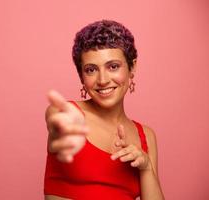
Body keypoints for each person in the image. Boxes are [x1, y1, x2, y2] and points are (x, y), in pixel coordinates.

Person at [44, 20, 164, 200]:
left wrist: (146, 167)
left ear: (132, 67)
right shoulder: (68, 113)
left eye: (113, 66)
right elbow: (56, 120)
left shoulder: (146, 136)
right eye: (91, 70)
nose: (102, 80)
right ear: (82, 77)